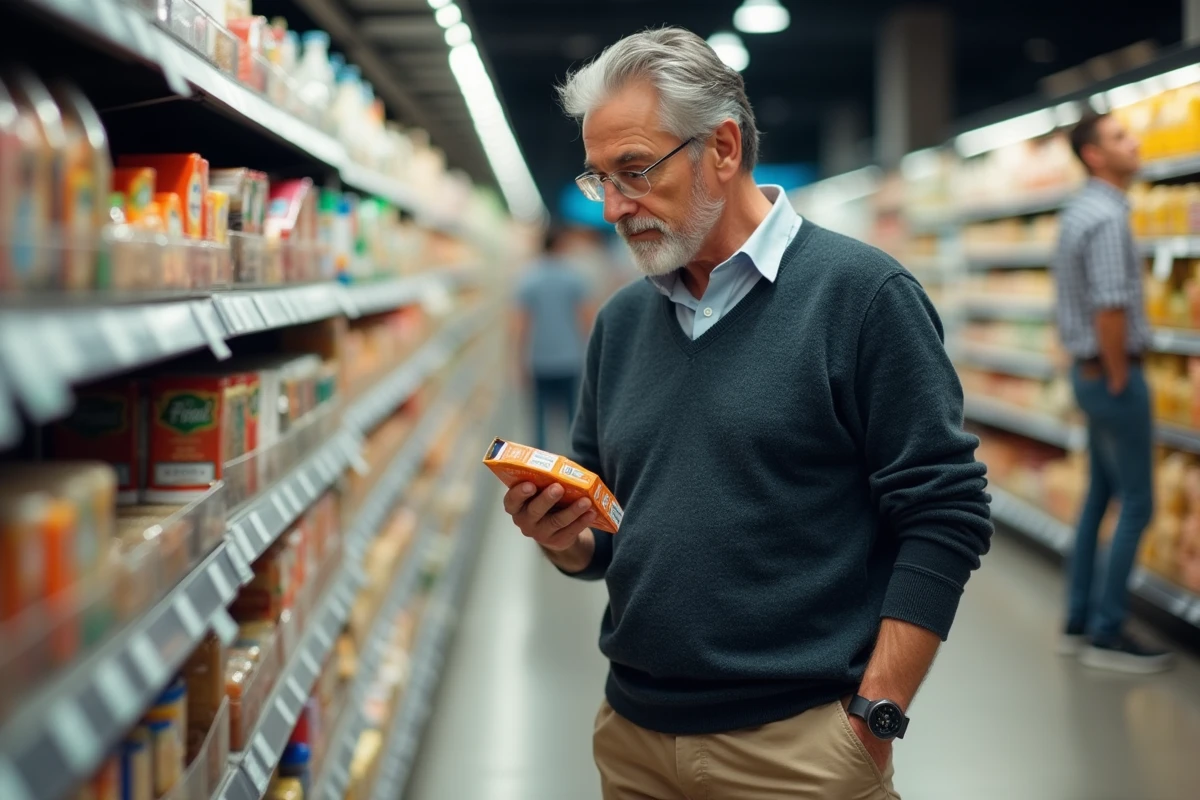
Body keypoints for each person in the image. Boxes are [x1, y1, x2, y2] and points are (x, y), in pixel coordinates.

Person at [500, 27, 993, 799]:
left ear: (722, 149)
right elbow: (608, 535)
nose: (614, 208)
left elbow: (946, 512)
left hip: (798, 748)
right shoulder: (623, 322)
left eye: (633, 171)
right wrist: (561, 537)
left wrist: (876, 716)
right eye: (600, 180)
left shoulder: (861, 297)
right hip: (632, 739)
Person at [1052, 112, 1172, 673]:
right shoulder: (1106, 218)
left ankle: (1079, 618)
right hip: (1111, 374)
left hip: (1088, 372)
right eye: (1121, 137)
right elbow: (1109, 306)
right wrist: (1121, 373)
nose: (1136, 143)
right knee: (1138, 502)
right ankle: (1107, 630)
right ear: (1095, 155)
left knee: (1099, 494)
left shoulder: (1080, 210)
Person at [514, 226, 592, 451]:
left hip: (539, 360)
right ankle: (574, 468)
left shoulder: (529, 276)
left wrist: (519, 360)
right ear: (561, 244)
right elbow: (585, 317)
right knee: (572, 418)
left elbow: (520, 324)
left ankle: (539, 472)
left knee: (539, 420)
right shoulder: (573, 276)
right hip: (570, 359)